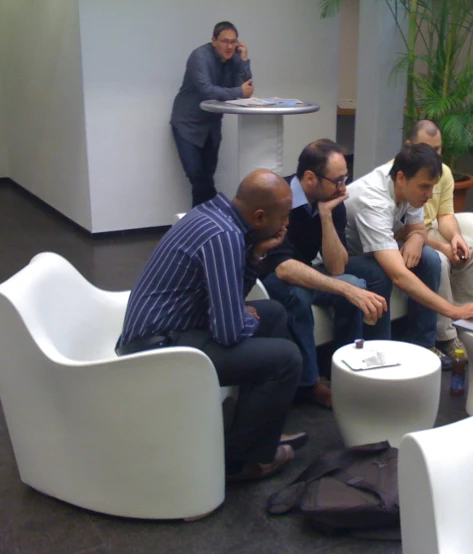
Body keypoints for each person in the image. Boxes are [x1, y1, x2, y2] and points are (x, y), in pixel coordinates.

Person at [116, 170, 306, 483]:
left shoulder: (215, 215)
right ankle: (240, 461)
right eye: (283, 217)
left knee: (271, 312)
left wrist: (257, 255)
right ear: (259, 217)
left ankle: (260, 435)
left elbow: (230, 297)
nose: (287, 224)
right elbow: (228, 331)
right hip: (158, 348)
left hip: (175, 327)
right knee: (286, 359)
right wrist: (241, 318)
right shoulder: (224, 237)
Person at [260, 139, 387, 409]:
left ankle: (341, 369)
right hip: (267, 276)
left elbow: (337, 268)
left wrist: (327, 217)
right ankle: (308, 383)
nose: (344, 189)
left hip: (303, 270)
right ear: (310, 178)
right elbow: (283, 268)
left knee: (354, 283)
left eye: (345, 179)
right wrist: (344, 288)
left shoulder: (329, 199)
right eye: (338, 181)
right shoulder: (279, 199)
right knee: (299, 296)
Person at [344, 143, 473, 370]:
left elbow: (416, 229)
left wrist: (416, 237)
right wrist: (454, 311)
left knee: (430, 259)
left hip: (378, 249)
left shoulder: (409, 189)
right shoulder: (373, 200)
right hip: (345, 258)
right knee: (379, 274)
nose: (428, 195)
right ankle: (381, 353)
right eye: (424, 187)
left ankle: (423, 346)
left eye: (432, 187)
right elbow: (398, 275)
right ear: (402, 178)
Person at [406, 120, 473, 359]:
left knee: (471, 248)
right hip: (410, 235)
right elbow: (407, 230)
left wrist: (456, 238)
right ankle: (446, 335)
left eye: (437, 149)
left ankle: (466, 319)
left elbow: (445, 215)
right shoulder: (404, 174)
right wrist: (441, 246)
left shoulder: (444, 173)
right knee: (439, 258)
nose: (433, 155)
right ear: (409, 147)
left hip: (429, 231)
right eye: (426, 149)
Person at [170, 21, 254, 207]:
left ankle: (200, 227)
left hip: (212, 125)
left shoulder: (233, 58)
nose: (230, 46)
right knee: (198, 177)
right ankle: (223, 211)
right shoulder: (199, 56)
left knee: (205, 178)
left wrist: (243, 60)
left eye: (234, 42)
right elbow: (207, 91)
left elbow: (246, 89)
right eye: (225, 41)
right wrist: (239, 91)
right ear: (213, 40)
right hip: (186, 124)